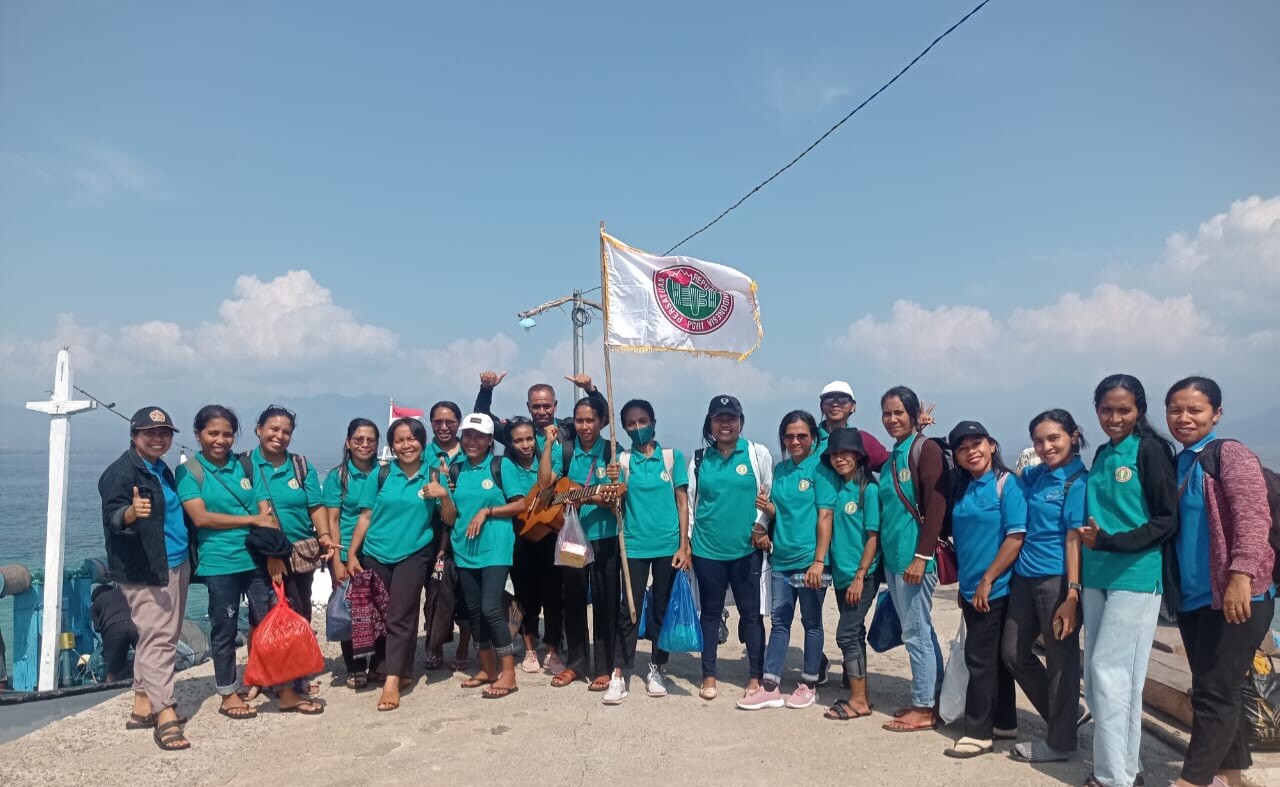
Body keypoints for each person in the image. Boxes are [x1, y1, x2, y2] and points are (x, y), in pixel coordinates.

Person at [1166, 376, 1276, 787]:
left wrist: (1241, 575)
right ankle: (1231, 777)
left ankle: (1191, 780)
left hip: (1238, 595)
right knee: (1214, 690)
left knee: (1215, 691)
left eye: (1195, 410)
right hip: (1195, 600)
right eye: (1176, 409)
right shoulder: (1180, 463)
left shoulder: (1230, 454)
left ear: (1217, 414)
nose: (1184, 418)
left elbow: (1253, 517)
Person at [177, 406, 320, 717]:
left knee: (272, 623)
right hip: (218, 563)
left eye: (227, 434)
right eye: (213, 433)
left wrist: (273, 556)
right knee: (224, 629)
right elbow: (200, 517)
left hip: (255, 559)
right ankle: (228, 693)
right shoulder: (190, 472)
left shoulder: (245, 466)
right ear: (198, 434)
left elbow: (265, 514)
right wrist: (250, 518)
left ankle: (284, 691)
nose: (220, 440)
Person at [1078, 374, 1178, 787]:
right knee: (1113, 674)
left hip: (1135, 575)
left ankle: (1110, 776)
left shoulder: (1151, 451)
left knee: (1108, 670)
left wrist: (1111, 542)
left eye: (1124, 409)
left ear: (1139, 410)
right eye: (1106, 409)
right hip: (1096, 573)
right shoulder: (1102, 452)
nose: (1114, 417)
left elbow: (1166, 520)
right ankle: (1127, 767)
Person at [97, 406, 192, 750]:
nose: (158, 438)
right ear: (134, 435)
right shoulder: (120, 473)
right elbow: (112, 516)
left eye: (164, 433)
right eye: (150, 432)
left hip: (175, 561)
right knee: (160, 640)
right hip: (147, 568)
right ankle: (164, 712)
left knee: (158, 635)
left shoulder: (159, 468)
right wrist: (130, 514)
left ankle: (141, 706)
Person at [348, 416, 456, 711]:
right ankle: (394, 669)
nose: (406, 445)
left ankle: (392, 681)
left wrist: (443, 495)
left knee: (401, 614)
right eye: (399, 440)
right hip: (375, 552)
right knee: (381, 616)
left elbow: (448, 518)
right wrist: (351, 554)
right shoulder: (381, 475)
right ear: (392, 445)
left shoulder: (434, 475)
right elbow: (365, 517)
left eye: (412, 439)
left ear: (422, 442)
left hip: (414, 552)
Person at [1005, 409, 1088, 764]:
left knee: (1060, 661)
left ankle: (1061, 743)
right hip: (1024, 578)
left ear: (1073, 435)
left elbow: (1074, 539)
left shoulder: (1078, 481)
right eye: (1039, 440)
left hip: (1056, 581)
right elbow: (1011, 482)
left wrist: (1072, 593)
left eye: (1053, 438)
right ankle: (1065, 717)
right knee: (1012, 652)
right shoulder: (1038, 474)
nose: (1046, 446)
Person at [943, 421, 1027, 758]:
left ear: (992, 445)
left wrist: (988, 579)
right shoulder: (963, 487)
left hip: (995, 587)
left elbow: (1016, 536)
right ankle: (1005, 722)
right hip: (970, 587)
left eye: (977, 443)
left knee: (979, 659)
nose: (971, 451)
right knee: (993, 659)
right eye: (963, 448)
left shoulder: (1007, 485)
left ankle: (978, 732)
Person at [743, 411, 835, 711]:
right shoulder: (780, 471)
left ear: (813, 438)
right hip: (781, 559)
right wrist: (767, 508)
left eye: (802, 436)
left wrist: (819, 562)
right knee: (780, 622)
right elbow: (783, 513)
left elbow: (825, 516)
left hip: (810, 561)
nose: (795, 441)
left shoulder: (821, 471)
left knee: (811, 622)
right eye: (789, 436)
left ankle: (809, 682)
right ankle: (770, 684)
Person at [686, 395, 772, 704]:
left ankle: (755, 675)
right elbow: (693, 506)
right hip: (707, 551)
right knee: (709, 615)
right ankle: (709, 674)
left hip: (746, 550)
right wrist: (688, 543)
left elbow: (767, 495)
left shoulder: (756, 453)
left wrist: (759, 527)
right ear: (710, 423)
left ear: (741, 421)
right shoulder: (698, 459)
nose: (725, 423)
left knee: (751, 615)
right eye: (719, 418)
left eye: (731, 418)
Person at [538, 394, 623, 691]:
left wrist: (594, 496)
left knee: (605, 602)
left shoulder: (613, 452)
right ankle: (575, 664)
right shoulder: (567, 450)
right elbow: (547, 485)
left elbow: (616, 495)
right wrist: (549, 444)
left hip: (605, 537)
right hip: (573, 538)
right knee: (572, 600)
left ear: (601, 421)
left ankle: (603, 667)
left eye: (590, 420)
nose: (585, 426)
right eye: (580, 420)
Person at [609, 399, 691, 703]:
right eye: (631, 423)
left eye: (643, 421)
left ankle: (657, 667)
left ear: (654, 422)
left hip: (667, 545)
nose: (637, 428)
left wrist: (684, 545)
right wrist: (613, 488)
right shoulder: (622, 461)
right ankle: (621, 672)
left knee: (661, 608)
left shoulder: (672, 458)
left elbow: (682, 503)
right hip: (633, 545)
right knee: (628, 610)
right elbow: (612, 502)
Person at [876, 386, 946, 732]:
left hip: (914, 560)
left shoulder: (925, 449)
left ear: (913, 414)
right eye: (887, 413)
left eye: (898, 412)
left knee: (916, 633)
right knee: (919, 630)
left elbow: (936, 504)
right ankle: (935, 696)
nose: (891, 419)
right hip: (895, 559)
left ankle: (924, 707)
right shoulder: (894, 454)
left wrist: (922, 556)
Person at [450, 413, 528, 699]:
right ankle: (487, 669)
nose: (472, 441)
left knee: (491, 607)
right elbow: (453, 511)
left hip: (495, 549)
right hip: (464, 549)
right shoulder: (457, 471)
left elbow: (520, 505)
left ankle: (508, 673)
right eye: (467, 435)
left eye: (479, 436)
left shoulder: (500, 466)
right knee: (473, 611)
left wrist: (488, 511)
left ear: (490, 440)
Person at [246, 405, 333, 634]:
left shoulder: (300, 465)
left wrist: (324, 535)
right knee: (264, 616)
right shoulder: (245, 465)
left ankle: (297, 664)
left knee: (300, 608)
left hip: (300, 552)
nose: (279, 436)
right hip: (261, 553)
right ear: (258, 429)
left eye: (286, 432)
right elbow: (255, 511)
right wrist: (272, 553)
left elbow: (315, 504)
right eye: (273, 429)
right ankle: (268, 668)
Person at [819, 428, 881, 721]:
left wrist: (860, 575)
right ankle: (860, 695)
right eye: (835, 454)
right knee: (855, 632)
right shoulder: (839, 488)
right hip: (842, 574)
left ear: (859, 456)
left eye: (845, 453)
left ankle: (859, 701)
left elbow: (872, 536)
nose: (840, 458)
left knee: (846, 633)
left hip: (861, 576)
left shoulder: (867, 489)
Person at [504, 417, 566, 676]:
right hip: (521, 539)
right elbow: (522, 502)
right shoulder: (507, 464)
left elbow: (544, 483)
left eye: (529, 438)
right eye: (518, 440)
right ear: (509, 443)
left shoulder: (554, 452)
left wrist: (549, 447)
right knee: (524, 597)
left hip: (551, 536)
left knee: (554, 597)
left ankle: (551, 651)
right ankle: (529, 647)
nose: (525, 445)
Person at [321, 418, 380, 688]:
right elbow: (332, 519)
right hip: (345, 550)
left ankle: (378, 664)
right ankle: (355, 666)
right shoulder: (338, 477)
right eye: (358, 439)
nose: (364, 444)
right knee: (350, 610)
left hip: (378, 549)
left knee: (378, 609)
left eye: (370, 440)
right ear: (348, 443)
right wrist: (336, 559)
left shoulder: (385, 473)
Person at [815, 381, 890, 471]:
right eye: (829, 400)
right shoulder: (808, 438)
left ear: (853, 406)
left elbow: (890, 464)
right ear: (821, 406)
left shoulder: (863, 439)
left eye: (842, 400)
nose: (835, 404)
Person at [91, 584, 138, 682]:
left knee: (113, 673)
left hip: (113, 629)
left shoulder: (96, 603)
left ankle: (109, 692)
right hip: (135, 623)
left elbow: (98, 629)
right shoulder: (124, 592)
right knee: (149, 660)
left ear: (95, 597)